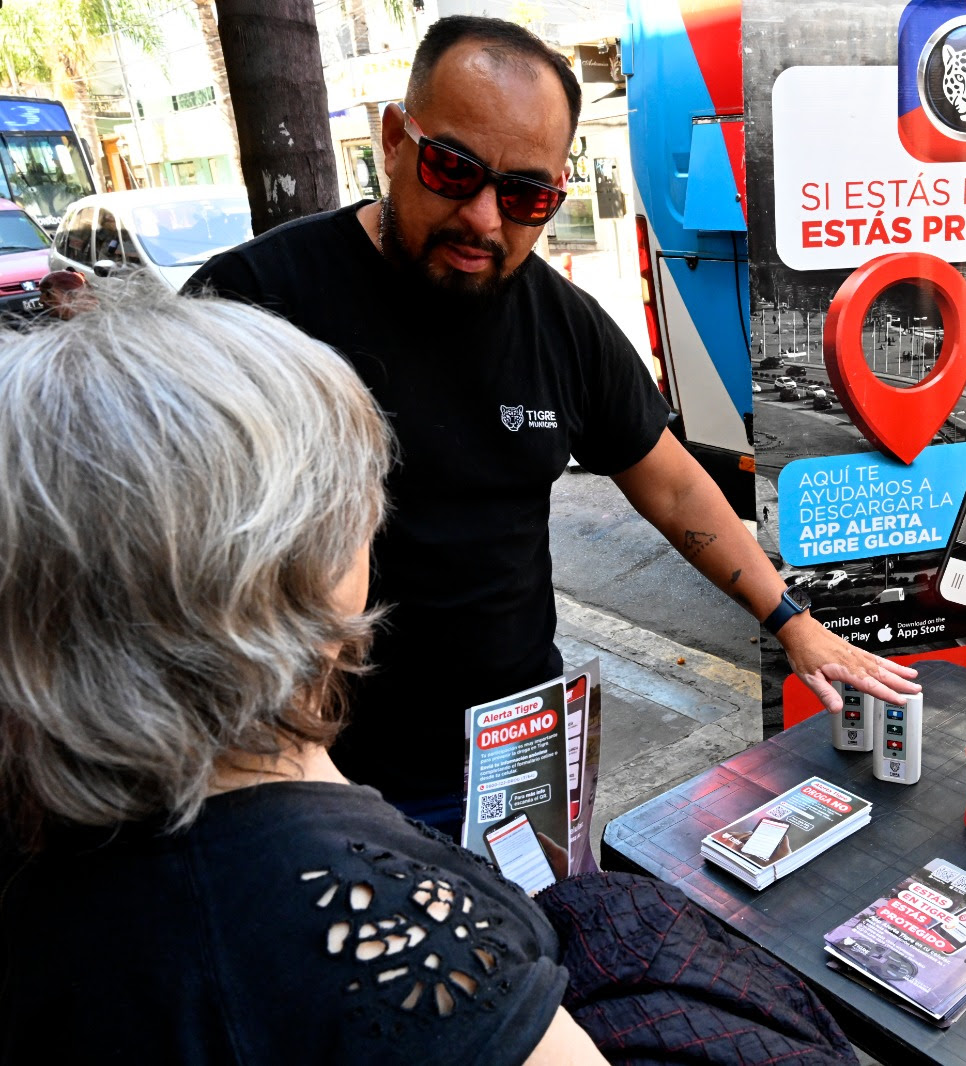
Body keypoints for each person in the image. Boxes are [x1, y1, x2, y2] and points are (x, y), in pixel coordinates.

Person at [0, 293, 855, 1065]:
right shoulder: (404, 945)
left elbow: (670, 483)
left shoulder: (46, 847)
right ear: (309, 551)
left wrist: (791, 620)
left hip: (503, 762)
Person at [184, 15, 918, 827]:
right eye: (453, 170)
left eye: (527, 194)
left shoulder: (563, 323)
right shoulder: (255, 305)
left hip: (522, 757)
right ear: (396, 139)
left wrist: (792, 621)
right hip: (319, 775)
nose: (486, 220)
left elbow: (673, 486)